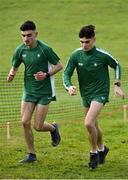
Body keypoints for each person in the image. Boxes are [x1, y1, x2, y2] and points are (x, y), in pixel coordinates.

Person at [63, 25, 124, 170]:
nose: (84, 45)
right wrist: (69, 86)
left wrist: (116, 85)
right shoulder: (76, 55)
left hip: (100, 93)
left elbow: (116, 65)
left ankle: (93, 154)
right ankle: (103, 149)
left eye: (87, 42)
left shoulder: (102, 55)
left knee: (88, 123)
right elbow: (66, 73)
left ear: (94, 40)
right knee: (94, 125)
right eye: (81, 42)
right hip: (86, 95)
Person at [7, 20, 63, 163]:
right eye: (23, 35)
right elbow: (15, 65)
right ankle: (31, 155)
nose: (26, 39)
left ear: (36, 34)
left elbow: (59, 65)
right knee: (25, 122)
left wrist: (46, 74)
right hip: (29, 91)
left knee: (38, 126)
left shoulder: (45, 49)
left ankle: (53, 128)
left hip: (44, 92)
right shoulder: (20, 50)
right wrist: (12, 73)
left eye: (29, 35)